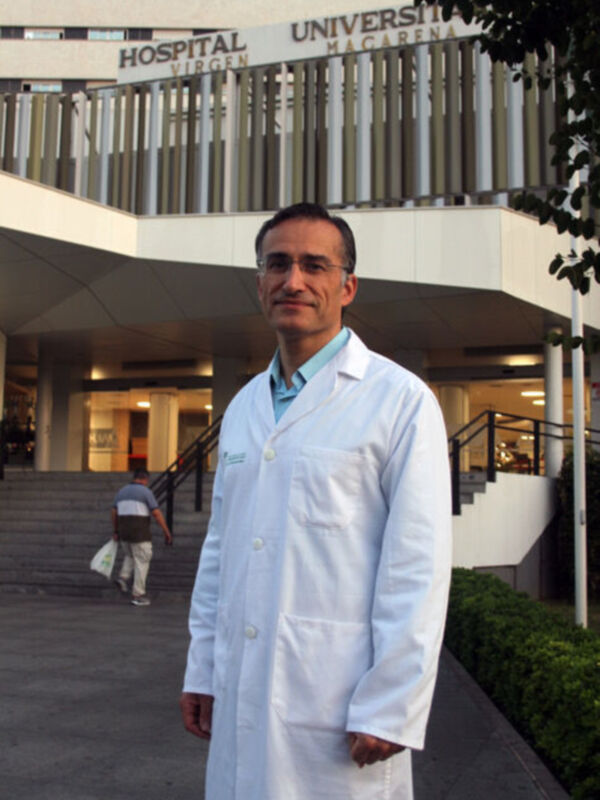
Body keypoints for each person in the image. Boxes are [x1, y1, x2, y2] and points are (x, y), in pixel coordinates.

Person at [180, 203, 452, 799]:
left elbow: (418, 565)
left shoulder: (400, 401)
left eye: (314, 265)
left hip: (339, 702)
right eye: (277, 264)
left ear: (347, 285)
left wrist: (392, 702)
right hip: (242, 687)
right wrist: (204, 668)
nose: (293, 281)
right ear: (260, 284)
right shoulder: (246, 407)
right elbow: (221, 549)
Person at [111, 467, 172, 606]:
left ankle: (123, 578)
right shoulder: (145, 492)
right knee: (142, 562)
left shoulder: (121, 491)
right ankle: (138, 595)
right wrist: (166, 531)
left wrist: (116, 530)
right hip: (140, 533)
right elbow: (156, 513)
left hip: (124, 533)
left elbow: (114, 512)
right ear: (145, 479)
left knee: (130, 555)